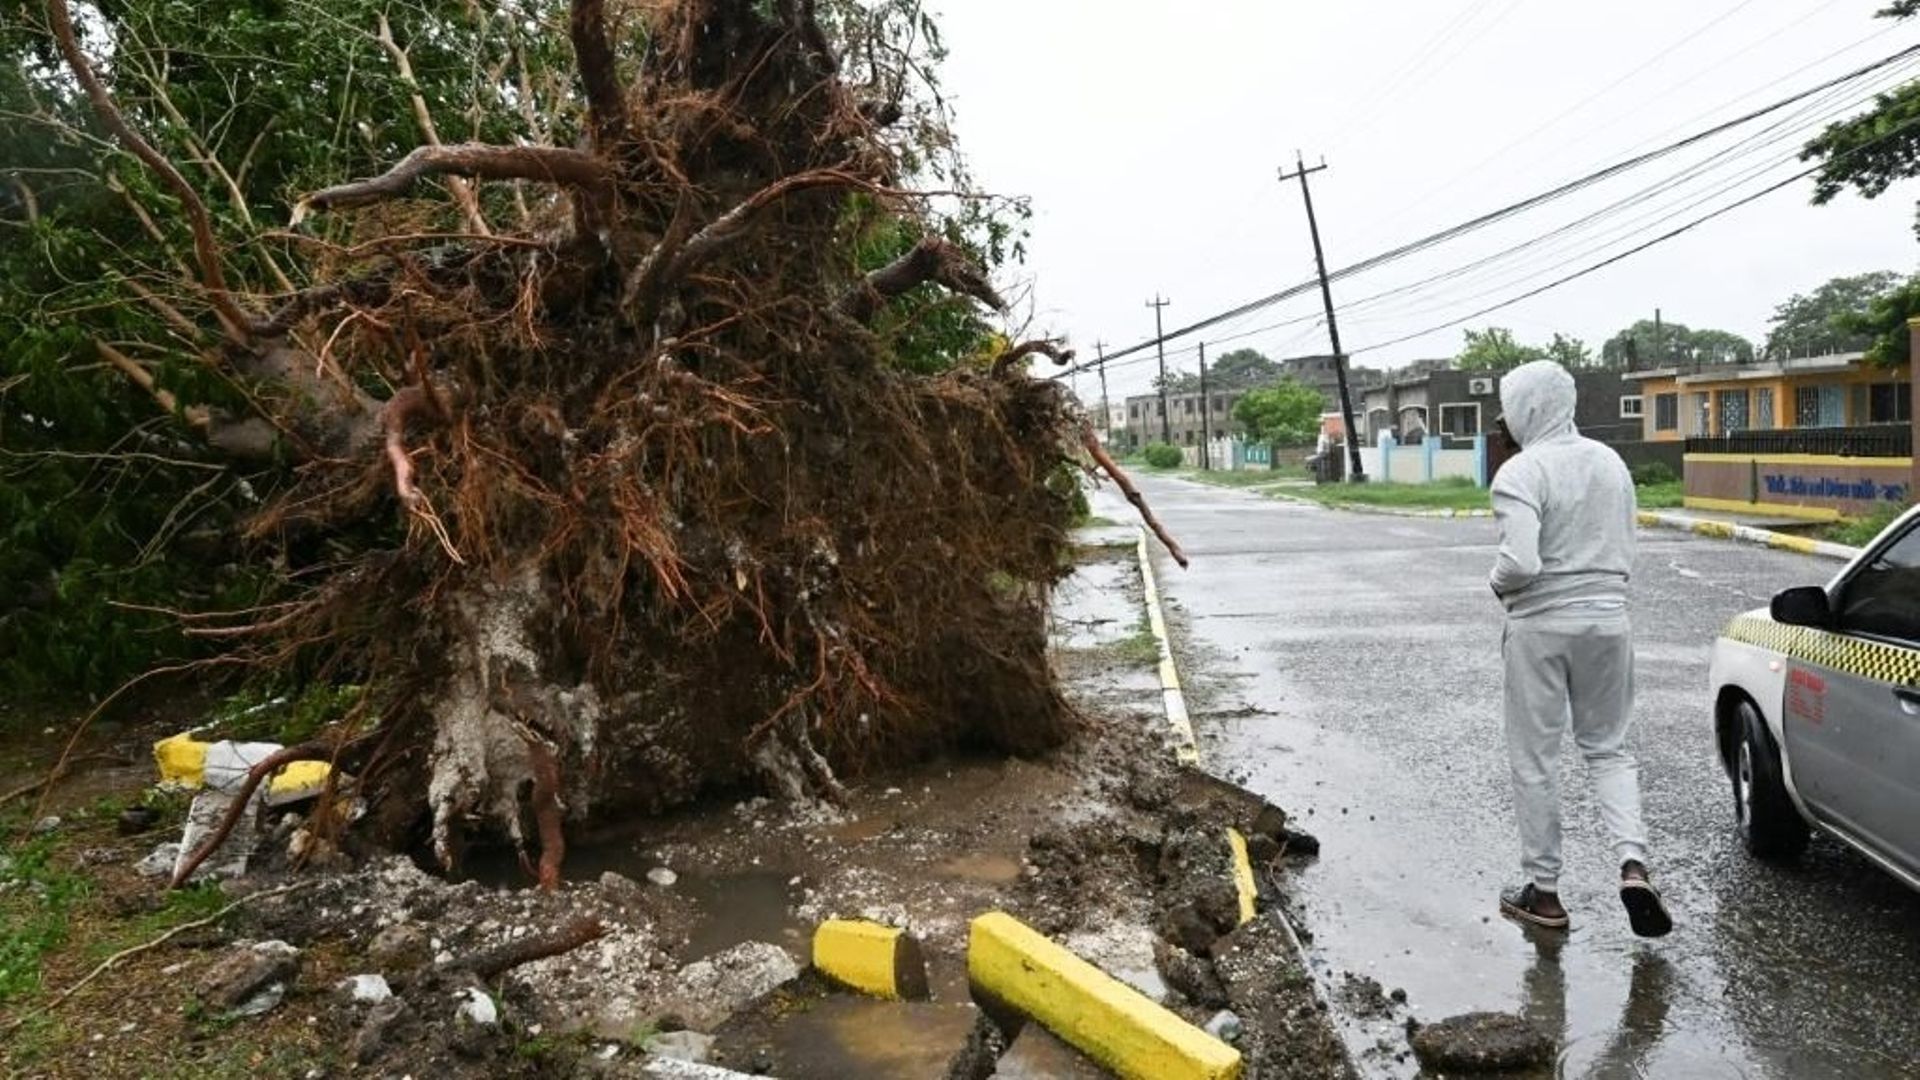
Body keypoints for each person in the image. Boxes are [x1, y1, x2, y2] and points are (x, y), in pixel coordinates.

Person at [1488, 360, 1672, 938]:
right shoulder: (1611, 465)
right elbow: (1627, 543)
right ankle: (1633, 865)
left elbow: (1520, 563)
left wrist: (1497, 583)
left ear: (1527, 408)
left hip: (1541, 625)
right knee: (1609, 750)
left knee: (1536, 758)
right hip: (1609, 620)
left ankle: (1544, 895)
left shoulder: (1521, 472)